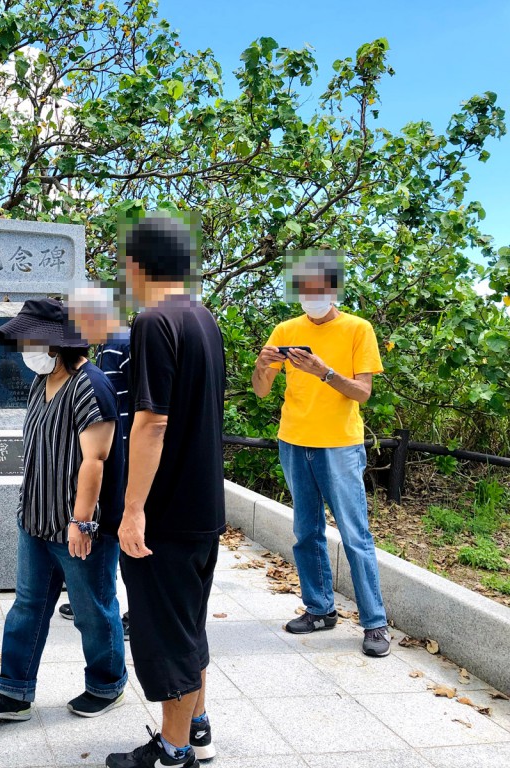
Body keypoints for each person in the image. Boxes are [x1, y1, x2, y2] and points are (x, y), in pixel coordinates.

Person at [0, 298, 128, 721]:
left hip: (79, 527)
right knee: (28, 606)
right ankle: (14, 691)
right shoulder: (42, 384)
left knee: (93, 610)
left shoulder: (91, 386)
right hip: (36, 519)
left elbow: (94, 462)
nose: (24, 350)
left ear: (56, 344)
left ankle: (107, 684)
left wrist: (81, 522)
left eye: (30, 340)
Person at [107, 214, 225, 768]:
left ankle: (174, 750)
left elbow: (151, 421)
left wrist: (133, 511)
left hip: (167, 515)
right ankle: (196, 723)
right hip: (203, 507)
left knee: (166, 634)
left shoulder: (155, 321)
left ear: (139, 265)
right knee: (189, 622)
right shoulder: (205, 319)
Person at [252, 249, 390, 658]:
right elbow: (262, 390)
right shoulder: (285, 329)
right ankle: (319, 609)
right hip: (294, 441)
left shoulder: (357, 329)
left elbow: (362, 392)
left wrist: (323, 371)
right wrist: (262, 364)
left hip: (340, 445)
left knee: (355, 534)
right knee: (305, 531)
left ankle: (375, 622)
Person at [59, 285, 131, 637]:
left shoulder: (122, 346)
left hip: (124, 455)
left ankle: (122, 605)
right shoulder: (110, 346)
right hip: (118, 451)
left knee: (116, 529)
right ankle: (92, 595)